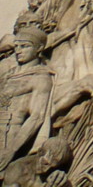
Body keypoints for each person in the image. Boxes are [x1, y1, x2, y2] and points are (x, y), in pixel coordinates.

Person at [0, 29, 51, 170]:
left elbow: (36, 117)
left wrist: (11, 150)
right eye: (16, 46)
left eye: (24, 46)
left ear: (39, 48)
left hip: (8, 133)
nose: (18, 51)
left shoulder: (40, 77)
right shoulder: (7, 75)